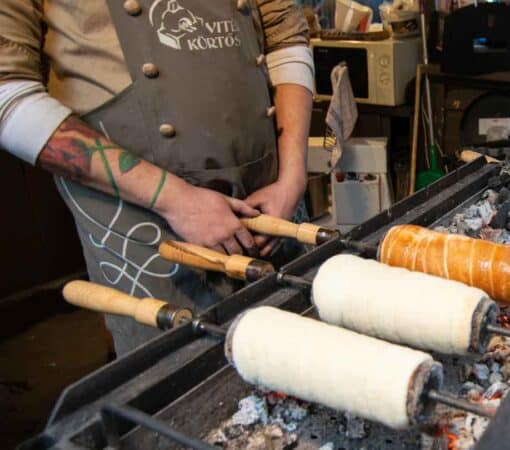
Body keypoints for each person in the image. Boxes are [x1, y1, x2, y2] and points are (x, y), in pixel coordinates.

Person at [0, 0, 314, 355]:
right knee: (187, 382)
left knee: (297, 355)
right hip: (149, 219)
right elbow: (7, 94)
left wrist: (292, 177)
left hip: (271, 200)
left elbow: (285, 35)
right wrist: (176, 200)